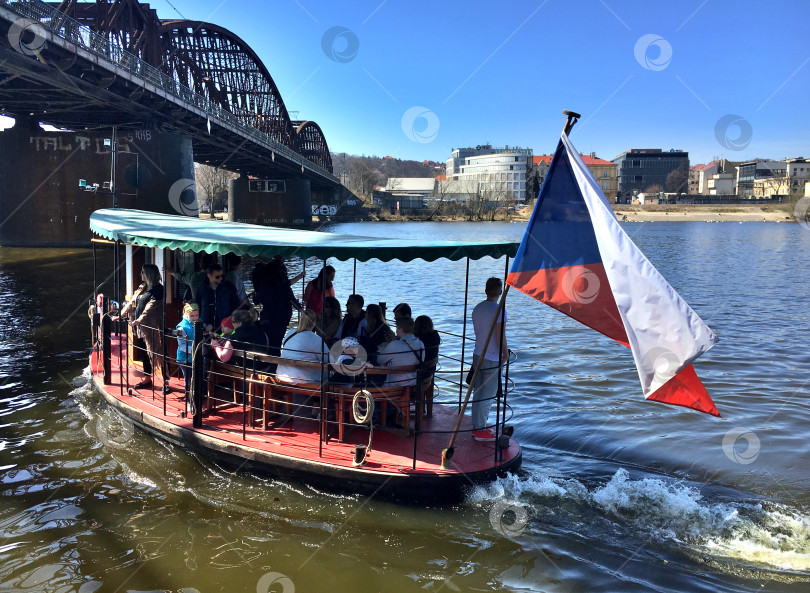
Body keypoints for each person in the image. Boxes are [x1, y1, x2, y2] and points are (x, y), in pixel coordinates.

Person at [470, 277, 508, 442]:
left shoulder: (477, 308)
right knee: (488, 394)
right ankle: (480, 429)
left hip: (477, 353)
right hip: (492, 356)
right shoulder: (499, 309)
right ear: (500, 292)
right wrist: (505, 354)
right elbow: (500, 336)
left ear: (485, 290)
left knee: (477, 391)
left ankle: (476, 424)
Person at [120, 264, 164, 389]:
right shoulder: (142, 287)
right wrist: (120, 315)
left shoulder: (159, 290)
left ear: (149, 274)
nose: (140, 275)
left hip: (153, 327)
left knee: (158, 352)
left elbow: (150, 307)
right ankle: (147, 379)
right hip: (140, 328)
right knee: (145, 353)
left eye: (142, 272)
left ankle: (166, 380)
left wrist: (139, 320)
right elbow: (131, 303)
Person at [253, 257, 302, 357]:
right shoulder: (284, 286)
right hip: (282, 318)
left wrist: (255, 294)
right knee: (277, 342)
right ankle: (275, 364)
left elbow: (256, 301)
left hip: (268, 317)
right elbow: (292, 300)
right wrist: (302, 310)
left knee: (269, 342)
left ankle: (269, 364)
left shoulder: (264, 285)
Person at [376, 316, 425, 386]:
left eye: (397, 328)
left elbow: (379, 361)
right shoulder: (421, 344)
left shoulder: (394, 345)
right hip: (414, 385)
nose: (396, 331)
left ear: (401, 330)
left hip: (395, 387)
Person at [198, 263, 241, 334]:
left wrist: (230, 323)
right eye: (217, 277)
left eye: (222, 276)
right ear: (209, 276)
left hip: (226, 328)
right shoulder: (202, 289)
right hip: (207, 329)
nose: (220, 278)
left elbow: (236, 305)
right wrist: (204, 325)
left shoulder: (229, 288)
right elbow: (198, 307)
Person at [175, 302, 199, 401]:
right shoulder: (181, 327)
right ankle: (189, 398)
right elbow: (182, 345)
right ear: (185, 314)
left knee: (196, 377)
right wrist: (196, 349)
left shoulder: (198, 322)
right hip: (184, 358)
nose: (195, 318)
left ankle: (196, 397)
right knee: (188, 378)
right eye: (192, 316)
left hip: (196, 356)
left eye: (197, 315)